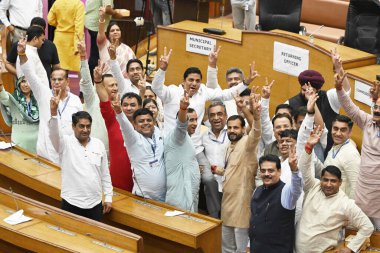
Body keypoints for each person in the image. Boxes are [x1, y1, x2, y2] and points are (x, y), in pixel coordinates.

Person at [152, 47, 250, 217]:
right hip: (172, 148)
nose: (194, 83)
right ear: (183, 81)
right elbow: (156, 87)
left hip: (195, 149)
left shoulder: (203, 91)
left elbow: (226, 94)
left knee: (207, 180)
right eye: (191, 80)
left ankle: (213, 218)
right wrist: (162, 69)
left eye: (197, 80)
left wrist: (245, 83)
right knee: (171, 182)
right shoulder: (172, 92)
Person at [295, 126, 374, 252]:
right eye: (325, 180)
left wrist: (350, 248)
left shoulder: (346, 203)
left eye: (333, 181)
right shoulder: (313, 186)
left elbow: (367, 227)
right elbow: (303, 169)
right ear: (321, 179)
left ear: (340, 183)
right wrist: (308, 147)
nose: (328, 184)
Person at [18, 37, 82, 164]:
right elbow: (30, 74)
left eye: (60, 79)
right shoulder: (44, 94)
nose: (56, 82)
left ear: (67, 81)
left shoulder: (76, 101)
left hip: (69, 154)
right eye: (54, 79)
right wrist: (22, 54)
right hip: (46, 154)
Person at [48, 96, 112, 221]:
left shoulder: (98, 144)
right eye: (81, 126)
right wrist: (54, 113)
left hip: (95, 204)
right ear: (73, 126)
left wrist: (108, 197)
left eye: (88, 126)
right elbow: (54, 134)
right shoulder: (64, 143)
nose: (85, 130)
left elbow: (105, 174)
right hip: (71, 203)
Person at [335, 70, 380, 230]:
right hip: (364, 191)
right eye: (375, 107)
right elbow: (349, 107)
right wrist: (340, 89)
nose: (376, 110)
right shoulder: (368, 122)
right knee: (361, 231)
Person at [287, 49, 352, 153]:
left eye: (311, 91)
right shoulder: (290, 103)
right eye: (304, 90)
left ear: (318, 90)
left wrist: (339, 68)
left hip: (329, 150)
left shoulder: (329, 97)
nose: (306, 93)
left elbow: (346, 92)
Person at [222, 89, 262, 253]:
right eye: (229, 128)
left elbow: (257, 131)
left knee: (240, 250)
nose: (232, 130)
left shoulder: (248, 143)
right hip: (226, 205)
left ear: (243, 129)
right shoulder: (228, 145)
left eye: (236, 128)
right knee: (225, 248)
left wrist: (249, 111)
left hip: (241, 206)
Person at [113, 96, 165, 201]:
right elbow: (125, 126)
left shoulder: (159, 132)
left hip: (165, 196)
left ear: (154, 122)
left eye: (149, 120)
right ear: (135, 125)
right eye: (141, 121)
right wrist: (119, 111)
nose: (145, 123)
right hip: (142, 197)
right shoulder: (132, 139)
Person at [249, 151, 302, 253]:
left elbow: (297, 189)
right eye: (263, 171)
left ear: (279, 171)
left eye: (271, 171)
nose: (266, 174)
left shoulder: (286, 191)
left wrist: (294, 170)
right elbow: (254, 220)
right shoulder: (257, 190)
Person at [95, 62, 133, 192]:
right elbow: (104, 99)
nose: (129, 107)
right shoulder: (113, 118)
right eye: (126, 104)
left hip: (140, 185)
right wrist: (98, 80)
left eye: (133, 105)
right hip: (117, 182)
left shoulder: (142, 124)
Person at [165, 92, 200, 211]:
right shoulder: (178, 136)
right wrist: (183, 108)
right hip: (180, 197)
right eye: (191, 120)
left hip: (189, 196)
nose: (195, 123)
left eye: (196, 120)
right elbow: (181, 125)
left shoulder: (187, 137)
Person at [77, 39, 109, 157]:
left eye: (115, 85)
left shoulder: (118, 105)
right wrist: (83, 57)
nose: (113, 88)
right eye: (108, 85)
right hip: (92, 154)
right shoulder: (93, 100)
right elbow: (86, 82)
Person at [5, 17, 60, 83]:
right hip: (24, 87)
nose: (35, 31)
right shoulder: (19, 45)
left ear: (43, 32)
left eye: (39, 30)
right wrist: (20, 75)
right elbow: (8, 64)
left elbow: (56, 66)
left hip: (46, 85)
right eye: (33, 29)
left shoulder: (51, 46)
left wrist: (55, 80)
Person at [0, 74, 39, 153]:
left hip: (37, 142)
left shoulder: (39, 99)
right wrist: (0, 85)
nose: (26, 84)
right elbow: (4, 97)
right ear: (18, 83)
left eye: (29, 81)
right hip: (19, 142)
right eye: (23, 81)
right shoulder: (13, 99)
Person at [85, 0, 124, 78]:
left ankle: (93, 79)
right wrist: (117, 13)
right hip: (97, 24)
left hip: (91, 21)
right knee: (97, 55)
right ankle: (94, 80)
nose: (115, 32)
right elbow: (107, 9)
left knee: (95, 53)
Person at [48, 0, 85, 72]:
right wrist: (77, 45)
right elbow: (79, 28)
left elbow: (50, 20)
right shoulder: (79, 4)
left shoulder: (57, 2)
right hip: (72, 39)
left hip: (59, 38)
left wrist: (60, 25)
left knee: (59, 69)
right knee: (80, 69)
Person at [202, 102, 229, 199]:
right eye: (212, 115)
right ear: (208, 118)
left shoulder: (232, 134)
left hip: (230, 188)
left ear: (226, 115)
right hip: (210, 189)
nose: (216, 118)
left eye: (219, 114)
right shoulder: (204, 137)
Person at [98, 6, 135, 76]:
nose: (115, 32)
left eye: (117, 30)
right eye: (112, 31)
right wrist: (102, 17)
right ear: (108, 34)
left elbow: (133, 66)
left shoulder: (127, 49)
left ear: (120, 33)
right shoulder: (104, 44)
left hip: (123, 82)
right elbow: (100, 32)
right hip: (106, 81)